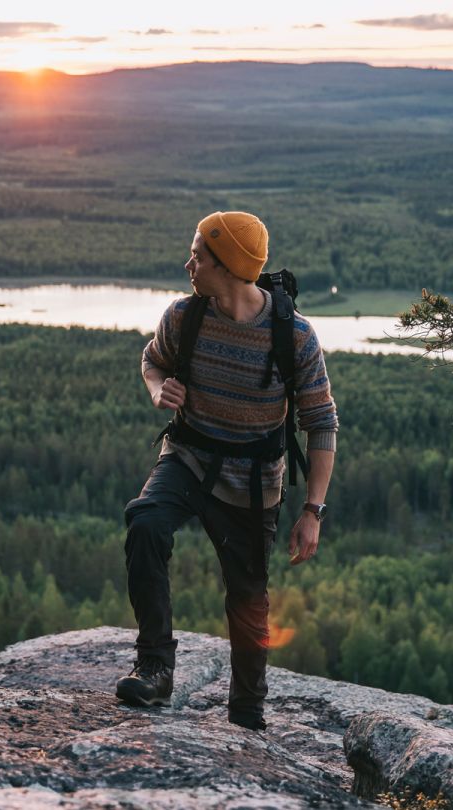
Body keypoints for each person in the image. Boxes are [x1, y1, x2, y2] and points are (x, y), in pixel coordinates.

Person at [116, 210, 338, 730]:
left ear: (231, 266)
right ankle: (155, 668)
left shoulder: (294, 337)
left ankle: (246, 710)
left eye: (199, 256)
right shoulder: (184, 316)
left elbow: (321, 423)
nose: (188, 263)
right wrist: (158, 390)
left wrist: (313, 510)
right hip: (189, 457)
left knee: (248, 595)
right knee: (145, 522)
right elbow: (152, 361)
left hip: (254, 480)